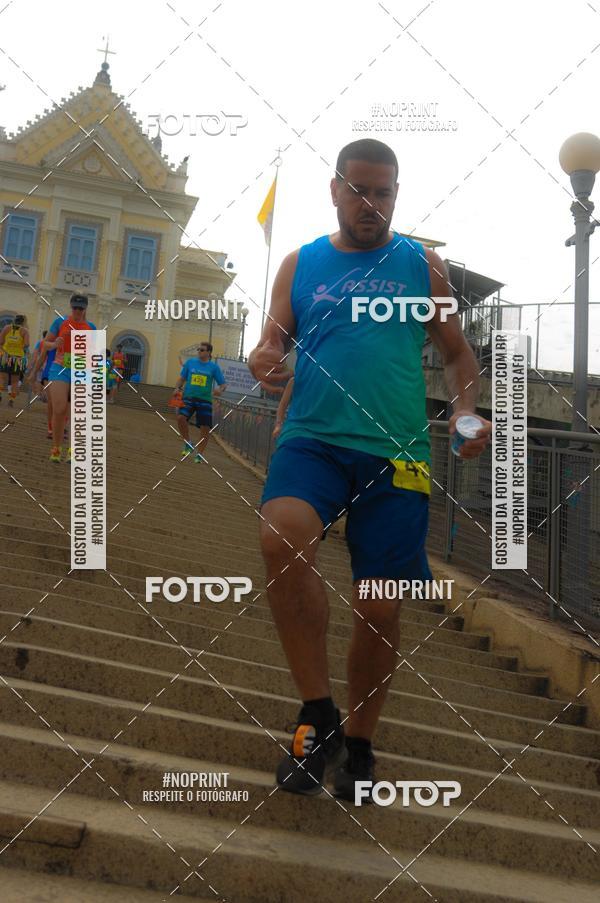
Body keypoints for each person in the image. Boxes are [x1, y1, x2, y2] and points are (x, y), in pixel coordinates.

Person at [248, 139, 491, 802]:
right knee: (280, 536)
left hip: (398, 455)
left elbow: (458, 356)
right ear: (335, 189)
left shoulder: (422, 266)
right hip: (313, 439)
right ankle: (317, 711)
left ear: (395, 195)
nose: (371, 204)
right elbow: (273, 340)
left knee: (380, 606)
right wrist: (264, 356)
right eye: (359, 190)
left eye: (384, 193)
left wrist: (467, 413)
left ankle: (358, 744)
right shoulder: (301, 264)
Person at [33, 293, 96, 462]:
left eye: (80, 308)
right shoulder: (60, 322)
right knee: (59, 409)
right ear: (71, 307)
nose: (77, 310)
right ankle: (56, 448)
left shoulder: (92, 327)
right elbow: (44, 344)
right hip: (60, 367)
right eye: (75, 307)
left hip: (82, 370)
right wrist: (54, 344)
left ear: (85, 309)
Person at [172, 342, 227, 462]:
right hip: (189, 397)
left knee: (205, 428)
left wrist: (219, 390)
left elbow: (223, 384)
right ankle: (188, 443)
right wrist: (176, 388)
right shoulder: (190, 363)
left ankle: (200, 454)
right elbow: (182, 378)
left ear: (208, 353)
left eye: (202, 350)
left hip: (205, 400)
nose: (199, 351)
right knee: (181, 418)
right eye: (198, 349)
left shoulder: (214, 367)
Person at [0, 314, 29, 407]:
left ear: (14, 320)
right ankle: (11, 400)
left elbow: (1, 342)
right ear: (23, 322)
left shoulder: (6, 328)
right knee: (15, 381)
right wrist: (19, 347)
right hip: (17, 358)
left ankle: (0, 394)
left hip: (5, 356)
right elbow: (27, 344)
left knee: (1, 378)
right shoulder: (24, 331)